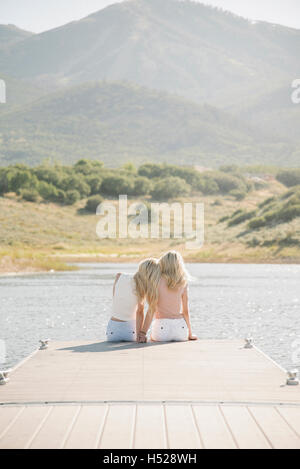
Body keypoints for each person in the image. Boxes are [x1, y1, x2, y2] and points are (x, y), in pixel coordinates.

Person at [137, 251, 197, 343]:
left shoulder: (156, 281)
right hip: (180, 329)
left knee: (153, 338)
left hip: (162, 329)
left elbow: (151, 310)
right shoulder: (183, 282)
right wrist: (190, 334)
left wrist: (143, 333)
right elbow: (186, 311)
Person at [106, 258, 161, 342]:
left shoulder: (119, 276)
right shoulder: (142, 287)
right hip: (130, 331)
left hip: (112, 331)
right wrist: (139, 335)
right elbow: (139, 312)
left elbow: (115, 299)